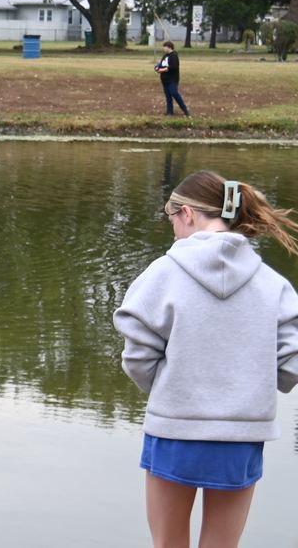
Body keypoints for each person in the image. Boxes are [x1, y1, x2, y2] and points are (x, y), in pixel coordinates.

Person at [114, 170, 298, 548]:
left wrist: (171, 389)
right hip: (242, 434)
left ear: (188, 214)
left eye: (171, 218)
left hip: (175, 430)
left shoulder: (163, 273)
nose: (173, 230)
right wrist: (254, 387)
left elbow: (137, 355)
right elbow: (292, 360)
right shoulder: (271, 281)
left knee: (168, 543)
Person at [155, 41, 190, 116]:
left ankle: (185, 109)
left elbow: (173, 67)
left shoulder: (174, 56)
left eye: (164, 47)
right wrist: (157, 67)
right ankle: (169, 112)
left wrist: (162, 70)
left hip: (172, 79)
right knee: (168, 95)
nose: (163, 49)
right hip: (164, 79)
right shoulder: (165, 56)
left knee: (174, 93)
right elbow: (161, 64)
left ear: (169, 47)